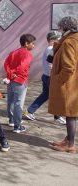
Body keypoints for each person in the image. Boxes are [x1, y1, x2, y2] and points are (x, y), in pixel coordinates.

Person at [48, 16, 78, 153]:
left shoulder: (69, 42)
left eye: (60, 27)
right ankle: (68, 139)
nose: (59, 30)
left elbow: (69, 67)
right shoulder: (72, 39)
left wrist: (58, 80)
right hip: (73, 84)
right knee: (71, 113)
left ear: (66, 28)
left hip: (69, 85)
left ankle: (70, 145)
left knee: (70, 114)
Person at [23, 31, 66, 124]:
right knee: (57, 97)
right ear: (54, 40)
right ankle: (57, 117)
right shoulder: (52, 49)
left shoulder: (48, 48)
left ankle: (30, 111)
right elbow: (52, 65)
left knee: (45, 95)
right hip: (51, 77)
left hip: (46, 76)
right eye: (59, 39)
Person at [4, 34, 36, 133]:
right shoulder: (27, 54)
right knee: (18, 103)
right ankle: (17, 126)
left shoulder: (14, 52)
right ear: (26, 44)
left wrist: (10, 73)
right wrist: (14, 74)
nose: (34, 46)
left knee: (11, 100)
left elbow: (6, 64)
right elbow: (22, 67)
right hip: (20, 80)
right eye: (33, 44)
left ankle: (12, 120)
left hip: (11, 79)